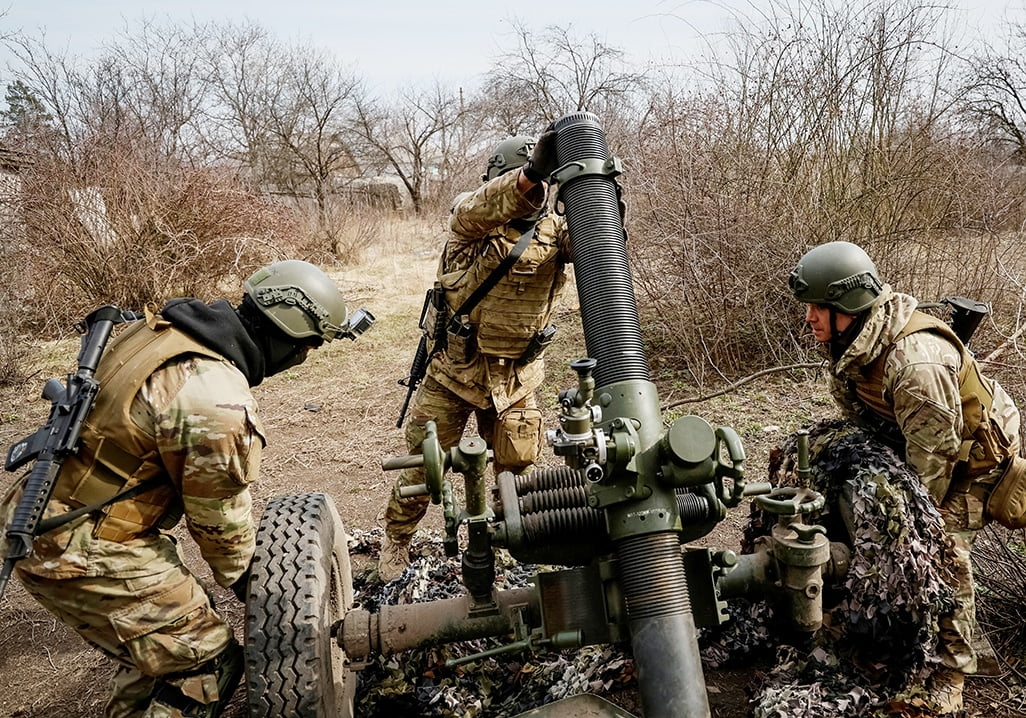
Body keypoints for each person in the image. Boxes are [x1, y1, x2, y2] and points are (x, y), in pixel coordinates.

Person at [0, 260, 359, 718]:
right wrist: (283, 599)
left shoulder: (164, 330)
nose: (303, 358)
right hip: (78, 546)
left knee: (166, 641)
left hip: (51, 508)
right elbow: (222, 536)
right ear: (285, 335)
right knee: (205, 662)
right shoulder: (215, 400)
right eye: (307, 346)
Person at [788, 240, 1022, 714]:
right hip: (919, 440)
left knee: (938, 550)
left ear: (847, 306)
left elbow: (932, 466)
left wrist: (906, 531)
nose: (809, 317)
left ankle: (951, 670)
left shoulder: (915, 363)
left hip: (973, 462)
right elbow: (865, 421)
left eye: (818, 307)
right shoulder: (851, 342)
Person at [378, 130, 571, 582]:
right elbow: (480, 207)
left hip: (516, 379)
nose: (536, 195)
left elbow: (602, 242)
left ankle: (510, 545)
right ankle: (396, 541)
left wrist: (599, 189)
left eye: (543, 187)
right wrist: (532, 175)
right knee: (423, 471)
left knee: (518, 478)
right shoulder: (470, 222)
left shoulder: (557, 230)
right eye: (526, 185)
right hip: (453, 373)